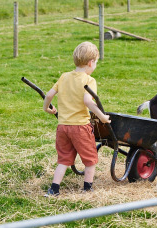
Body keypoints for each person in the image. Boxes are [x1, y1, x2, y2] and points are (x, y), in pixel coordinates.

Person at [43, 41, 111, 197]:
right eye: (96, 63)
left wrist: (46, 108)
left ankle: (54, 189)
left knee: (64, 159)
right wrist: (102, 117)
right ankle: (87, 188)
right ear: (90, 62)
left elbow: (48, 95)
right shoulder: (88, 80)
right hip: (80, 127)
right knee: (90, 158)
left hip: (63, 127)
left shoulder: (64, 76)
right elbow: (88, 102)